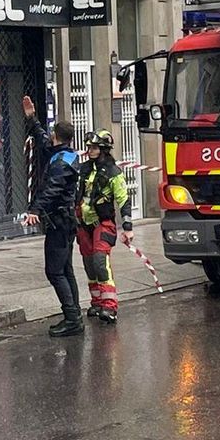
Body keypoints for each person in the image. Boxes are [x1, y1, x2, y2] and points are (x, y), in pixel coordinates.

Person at [20, 95, 83, 338]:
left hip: (60, 222)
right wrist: (32, 119)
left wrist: (35, 210)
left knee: (55, 271)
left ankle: (71, 318)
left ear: (57, 136)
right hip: (65, 221)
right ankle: (74, 314)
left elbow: (52, 189)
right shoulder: (64, 154)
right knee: (66, 269)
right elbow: (43, 141)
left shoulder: (62, 163)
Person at [76, 129, 133, 323]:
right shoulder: (84, 169)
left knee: (101, 263)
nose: (89, 150)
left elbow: (123, 199)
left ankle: (110, 307)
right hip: (84, 224)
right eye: (89, 147)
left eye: (93, 147)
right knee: (89, 264)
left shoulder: (113, 172)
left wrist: (128, 226)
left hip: (103, 223)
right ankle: (97, 302)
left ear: (103, 149)